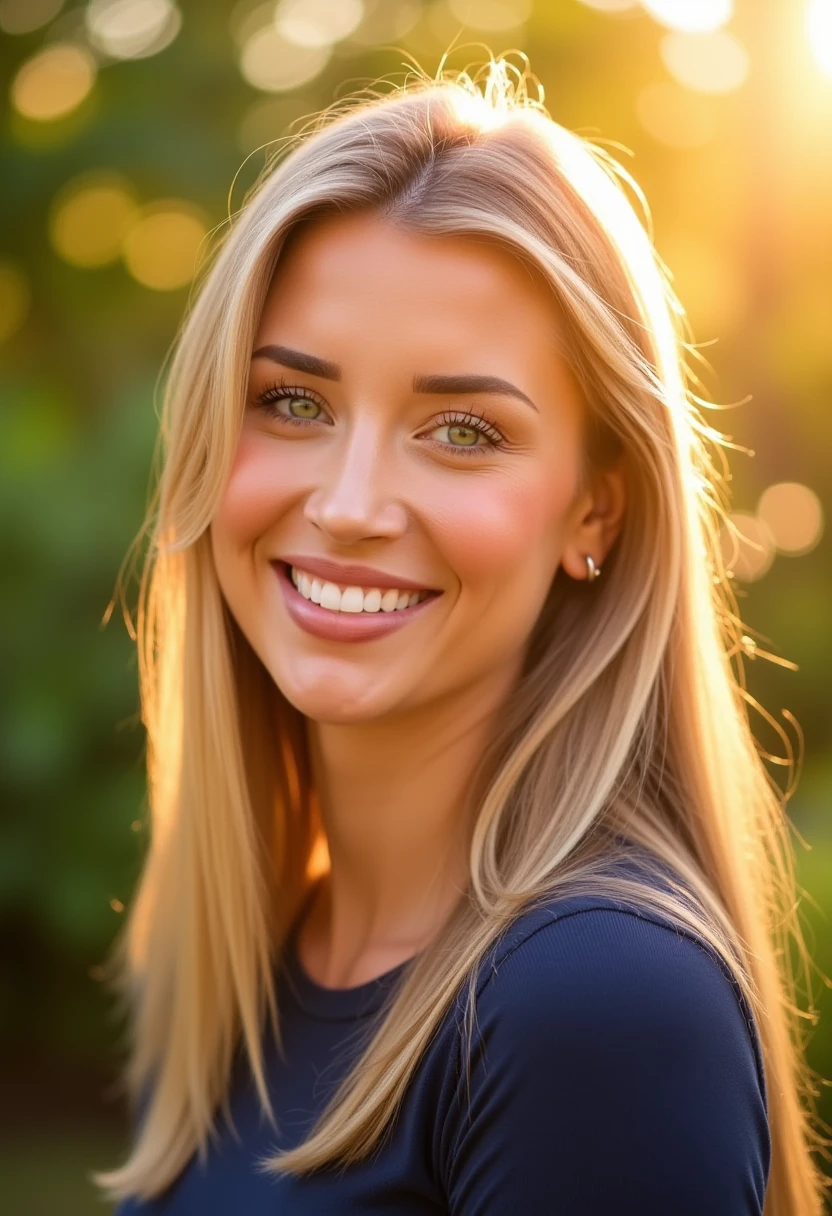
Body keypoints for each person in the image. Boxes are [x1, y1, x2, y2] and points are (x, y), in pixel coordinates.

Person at [94, 59, 824, 1214]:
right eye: (293, 401)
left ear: (596, 508)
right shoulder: (249, 965)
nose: (347, 501)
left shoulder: (595, 1004)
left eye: (463, 430)